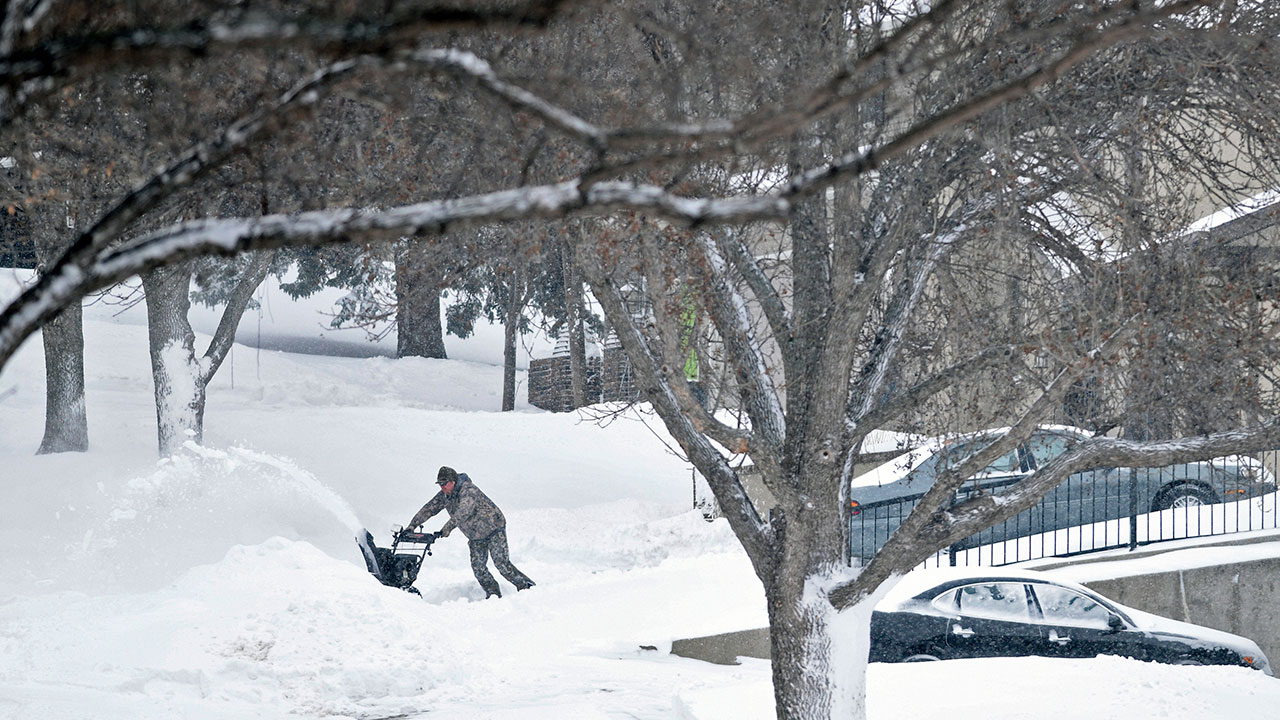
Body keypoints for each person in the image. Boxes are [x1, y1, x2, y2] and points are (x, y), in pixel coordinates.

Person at [407, 466, 535, 598]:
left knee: (501, 564)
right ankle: (493, 594)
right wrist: (412, 526)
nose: (442, 487)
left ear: (453, 481)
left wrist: (447, 528)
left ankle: (527, 587)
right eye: (440, 484)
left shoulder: (468, 490)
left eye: (444, 483)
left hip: (493, 529)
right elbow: (429, 509)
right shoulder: (445, 496)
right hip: (475, 536)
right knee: (478, 568)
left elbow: (464, 511)